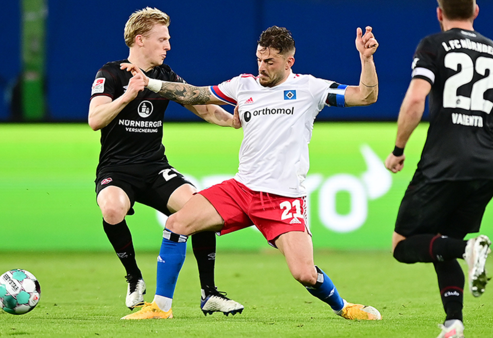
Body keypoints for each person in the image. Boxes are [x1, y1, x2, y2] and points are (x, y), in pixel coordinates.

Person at [119, 24, 383, 321]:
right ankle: (161, 307)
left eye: (270, 62)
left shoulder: (310, 88)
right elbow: (195, 94)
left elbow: (365, 96)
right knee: (177, 223)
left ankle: (343, 306)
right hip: (241, 190)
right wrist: (151, 83)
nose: (262, 67)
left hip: (282, 199)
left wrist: (366, 60)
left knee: (305, 274)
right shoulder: (242, 85)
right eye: (259, 59)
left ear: (288, 62)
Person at [384, 0, 493, 338]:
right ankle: (454, 323)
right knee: (441, 244)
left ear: (439, 13)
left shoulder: (433, 46)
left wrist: (398, 149)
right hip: (485, 169)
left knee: (403, 247)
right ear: (475, 11)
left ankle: (469, 248)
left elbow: (416, 100)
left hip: (443, 163)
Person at [88, 7, 244, 316]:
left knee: (201, 211)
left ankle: (209, 293)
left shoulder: (164, 76)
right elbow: (95, 120)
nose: (168, 46)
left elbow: (204, 108)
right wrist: (126, 96)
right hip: (117, 170)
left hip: (155, 168)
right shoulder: (110, 73)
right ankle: (134, 278)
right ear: (140, 39)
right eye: (163, 39)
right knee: (111, 207)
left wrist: (234, 122)